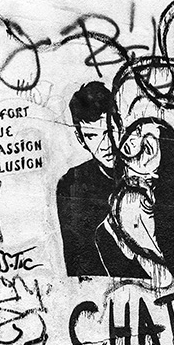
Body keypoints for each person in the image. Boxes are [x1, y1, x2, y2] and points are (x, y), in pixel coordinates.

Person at [56, 82, 147, 278]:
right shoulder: (72, 184)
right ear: (80, 139)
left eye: (109, 131)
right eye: (91, 136)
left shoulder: (146, 169)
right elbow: (79, 264)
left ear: (121, 126)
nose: (105, 144)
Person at [98, 118, 174, 280]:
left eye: (146, 148)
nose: (134, 142)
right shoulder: (122, 190)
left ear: (157, 174)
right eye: (137, 132)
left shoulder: (135, 201)